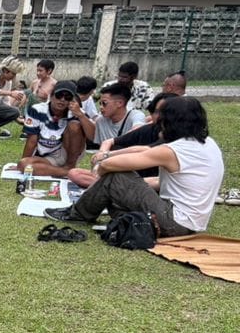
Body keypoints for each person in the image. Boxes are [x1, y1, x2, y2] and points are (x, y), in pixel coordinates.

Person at [46, 97, 224, 236]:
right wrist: (128, 185)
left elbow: (112, 165)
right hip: (191, 225)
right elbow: (160, 178)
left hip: (175, 222)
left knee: (116, 175)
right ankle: (117, 217)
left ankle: (77, 214)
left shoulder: (173, 151)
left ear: (170, 122)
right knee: (118, 188)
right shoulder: (208, 144)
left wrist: (102, 169)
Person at [68, 83, 148, 187]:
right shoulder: (102, 120)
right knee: (73, 173)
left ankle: (109, 185)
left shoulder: (135, 115)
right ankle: (108, 185)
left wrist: (110, 145)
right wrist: (80, 115)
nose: (101, 107)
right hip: (106, 169)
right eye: (100, 103)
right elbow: (93, 136)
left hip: (129, 166)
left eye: (104, 103)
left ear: (119, 103)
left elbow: (137, 131)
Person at [17, 79, 84, 179]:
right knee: (24, 165)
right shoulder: (37, 109)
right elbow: (32, 140)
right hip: (47, 155)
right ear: (51, 95)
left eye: (67, 97)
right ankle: (67, 172)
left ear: (72, 100)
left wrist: (81, 115)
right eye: (59, 95)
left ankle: (70, 166)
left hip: (67, 152)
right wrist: (23, 162)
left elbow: (93, 136)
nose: (62, 100)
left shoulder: (77, 111)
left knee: (74, 125)